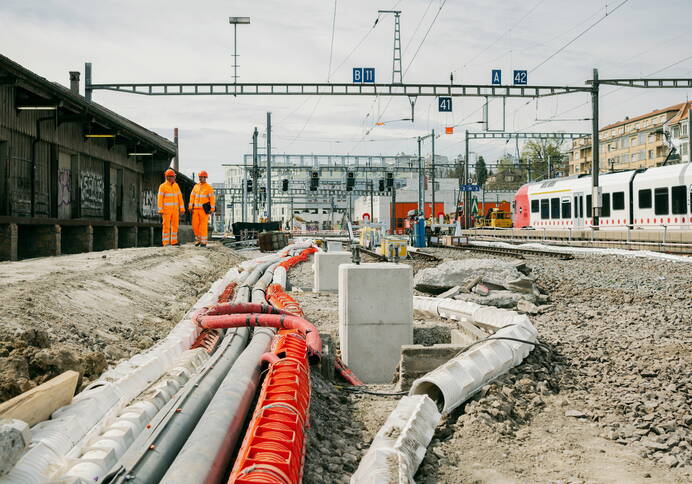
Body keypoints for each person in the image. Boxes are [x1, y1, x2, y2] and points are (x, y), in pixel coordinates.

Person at [158, 169, 185, 246]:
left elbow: (180, 197)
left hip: (175, 210)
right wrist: (160, 209)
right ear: (168, 177)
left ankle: (174, 241)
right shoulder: (162, 187)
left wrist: (182, 208)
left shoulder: (176, 186)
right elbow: (160, 199)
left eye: (174, 177)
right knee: (166, 226)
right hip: (166, 210)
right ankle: (166, 242)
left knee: (175, 225)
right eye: (173, 176)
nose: (174, 178)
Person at [189, 170, 215, 247]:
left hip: (204, 211)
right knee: (195, 226)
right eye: (199, 177)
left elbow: (212, 199)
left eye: (202, 177)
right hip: (196, 210)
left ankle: (203, 242)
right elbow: (192, 197)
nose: (200, 178)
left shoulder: (209, 188)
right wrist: (190, 206)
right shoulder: (195, 187)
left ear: (205, 177)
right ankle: (198, 240)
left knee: (203, 227)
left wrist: (212, 208)